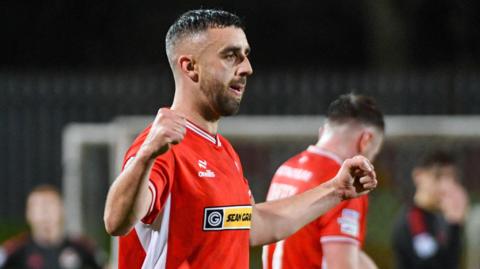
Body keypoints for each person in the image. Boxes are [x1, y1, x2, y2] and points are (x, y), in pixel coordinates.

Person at [103, 9, 378, 269]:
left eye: (245, 55)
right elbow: (116, 221)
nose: (247, 67)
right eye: (231, 55)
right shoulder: (163, 147)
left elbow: (252, 224)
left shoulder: (223, 151)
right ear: (190, 67)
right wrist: (146, 155)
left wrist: (336, 190)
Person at [262, 93, 384, 269]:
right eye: (374, 154)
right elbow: (342, 264)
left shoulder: (287, 169)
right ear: (366, 140)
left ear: (323, 131)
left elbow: (339, 248)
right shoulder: (345, 183)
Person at [392, 151, 469, 269]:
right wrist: (454, 225)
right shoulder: (414, 218)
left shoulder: (441, 218)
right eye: (437, 177)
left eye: (451, 178)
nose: (446, 186)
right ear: (418, 176)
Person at [0, 185, 104, 269]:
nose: (45, 212)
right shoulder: (16, 249)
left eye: (50, 205)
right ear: (28, 214)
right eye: (39, 207)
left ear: (62, 210)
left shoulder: (82, 247)